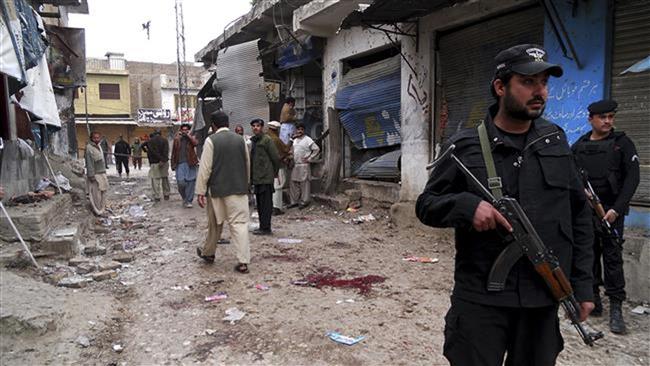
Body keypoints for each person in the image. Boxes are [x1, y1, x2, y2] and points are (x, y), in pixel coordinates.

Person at [415, 44, 594, 366]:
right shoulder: (465, 146)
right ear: (500, 87)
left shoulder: (556, 141)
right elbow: (427, 205)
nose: (539, 91)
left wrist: (583, 285)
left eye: (544, 83)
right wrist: (466, 206)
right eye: (528, 82)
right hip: (481, 299)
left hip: (542, 297)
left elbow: (580, 216)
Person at [571, 99, 640, 334]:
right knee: (587, 256)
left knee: (612, 260)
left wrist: (616, 209)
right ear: (590, 119)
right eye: (603, 117)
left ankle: (616, 309)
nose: (608, 121)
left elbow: (632, 179)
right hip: (585, 214)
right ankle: (594, 300)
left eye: (611, 116)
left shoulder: (623, 144)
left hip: (611, 212)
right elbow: (570, 177)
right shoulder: (579, 146)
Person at [195, 111, 251, 274]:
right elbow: (247, 164)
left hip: (217, 191)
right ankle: (243, 262)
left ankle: (209, 254)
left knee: (215, 223)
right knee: (239, 225)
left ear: (213, 125)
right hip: (239, 190)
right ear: (228, 123)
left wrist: (200, 191)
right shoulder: (240, 140)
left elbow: (205, 168)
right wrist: (246, 183)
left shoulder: (211, 140)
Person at [250, 118, 280, 235]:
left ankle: (266, 228)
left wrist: (274, 172)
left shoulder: (267, 140)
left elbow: (275, 158)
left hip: (266, 178)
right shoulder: (254, 141)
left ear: (262, 127)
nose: (255, 128)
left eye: (257, 126)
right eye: (253, 126)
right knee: (260, 205)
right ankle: (262, 226)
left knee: (266, 204)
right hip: (257, 178)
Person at [287, 123, 320, 209]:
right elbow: (291, 150)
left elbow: (316, 149)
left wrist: (310, 158)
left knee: (304, 184)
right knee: (294, 184)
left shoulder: (307, 139)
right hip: (295, 165)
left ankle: (304, 201)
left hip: (304, 165)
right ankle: (294, 201)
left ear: (304, 130)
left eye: (301, 129)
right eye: (298, 129)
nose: (300, 131)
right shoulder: (294, 140)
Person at [171, 123, 199, 208]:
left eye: (186, 130)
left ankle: (189, 201)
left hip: (191, 163)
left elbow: (195, 143)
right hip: (180, 164)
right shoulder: (177, 139)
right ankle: (184, 198)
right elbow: (173, 152)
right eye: (183, 130)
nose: (184, 131)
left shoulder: (192, 138)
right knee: (181, 183)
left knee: (191, 183)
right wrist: (172, 164)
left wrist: (188, 136)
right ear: (180, 130)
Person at [267, 121, 291, 214]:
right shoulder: (276, 139)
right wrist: (291, 141)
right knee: (278, 187)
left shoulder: (265, 137)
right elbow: (285, 149)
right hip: (277, 166)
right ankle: (276, 207)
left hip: (267, 167)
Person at [85, 131, 109, 215]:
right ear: (91, 138)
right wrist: (91, 175)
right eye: (95, 138)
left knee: (103, 191)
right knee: (96, 195)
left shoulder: (99, 146)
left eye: (98, 137)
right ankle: (97, 211)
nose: (96, 139)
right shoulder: (89, 148)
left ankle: (102, 209)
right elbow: (89, 162)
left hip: (102, 173)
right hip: (95, 174)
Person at [143, 130, 170, 201]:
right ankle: (166, 194)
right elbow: (166, 151)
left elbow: (145, 148)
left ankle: (157, 196)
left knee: (155, 180)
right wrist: (162, 160)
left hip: (154, 163)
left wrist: (146, 151)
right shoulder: (165, 140)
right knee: (165, 179)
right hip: (164, 162)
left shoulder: (150, 141)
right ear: (160, 134)